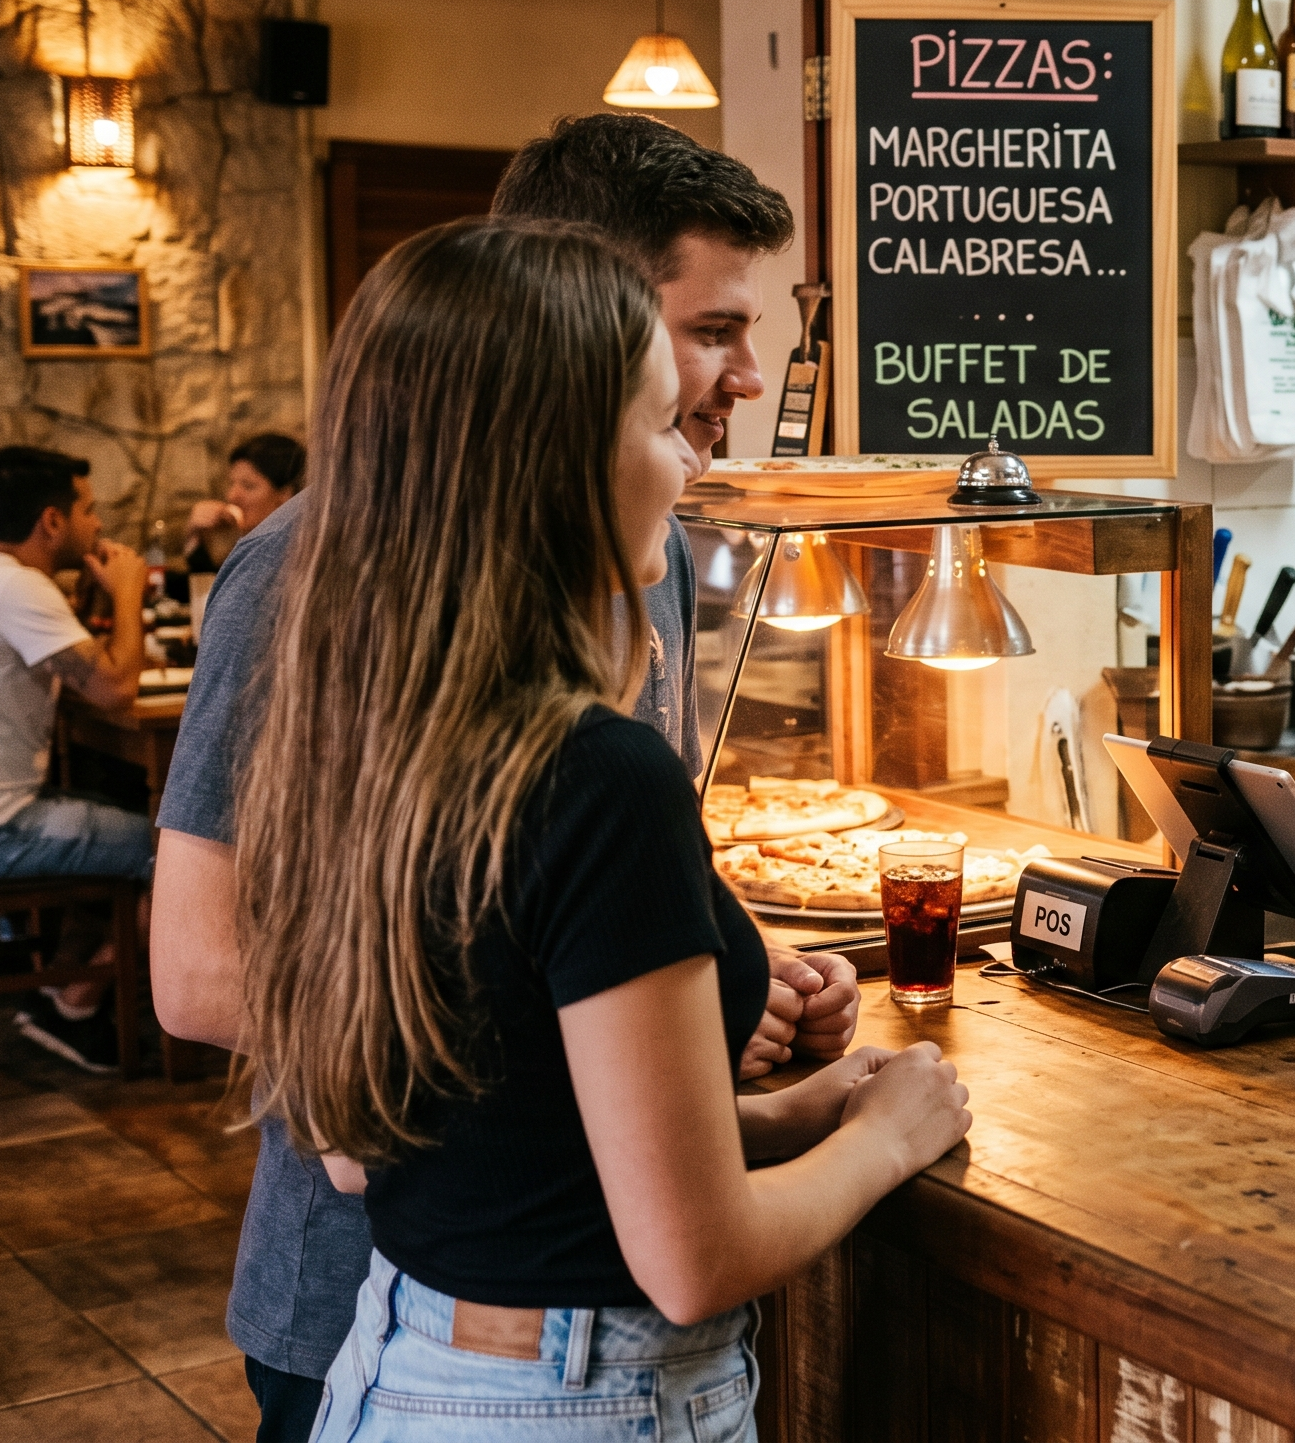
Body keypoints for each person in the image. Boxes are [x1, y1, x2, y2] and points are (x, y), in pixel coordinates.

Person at [149, 113, 844, 1443]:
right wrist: (599, 1039)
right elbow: (195, 972)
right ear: (569, 319)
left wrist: (706, 998)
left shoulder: (641, 556)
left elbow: (557, 872)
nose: (749, 376)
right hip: (381, 1289)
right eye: (708, 333)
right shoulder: (302, 570)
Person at [235, 218, 971, 1442]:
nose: (683, 470)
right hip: (575, 1400)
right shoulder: (597, 774)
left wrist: (780, 1117)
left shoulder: (353, 731)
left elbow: (411, 1147)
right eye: (652, 424)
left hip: (392, 1368)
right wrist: (887, 1139)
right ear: (556, 460)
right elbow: (694, 1260)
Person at [0, 446, 150, 1070]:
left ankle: (65, 982)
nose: (99, 525)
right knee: (174, 848)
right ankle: (75, 1005)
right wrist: (130, 594)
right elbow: (116, 689)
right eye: (89, 510)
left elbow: (81, 670)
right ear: (53, 522)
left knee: (117, 809)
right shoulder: (17, 588)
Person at [184, 431, 305, 573]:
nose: (232, 496)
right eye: (231, 484)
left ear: (285, 496)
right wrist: (197, 535)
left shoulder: (292, 556)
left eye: (248, 486)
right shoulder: (249, 546)